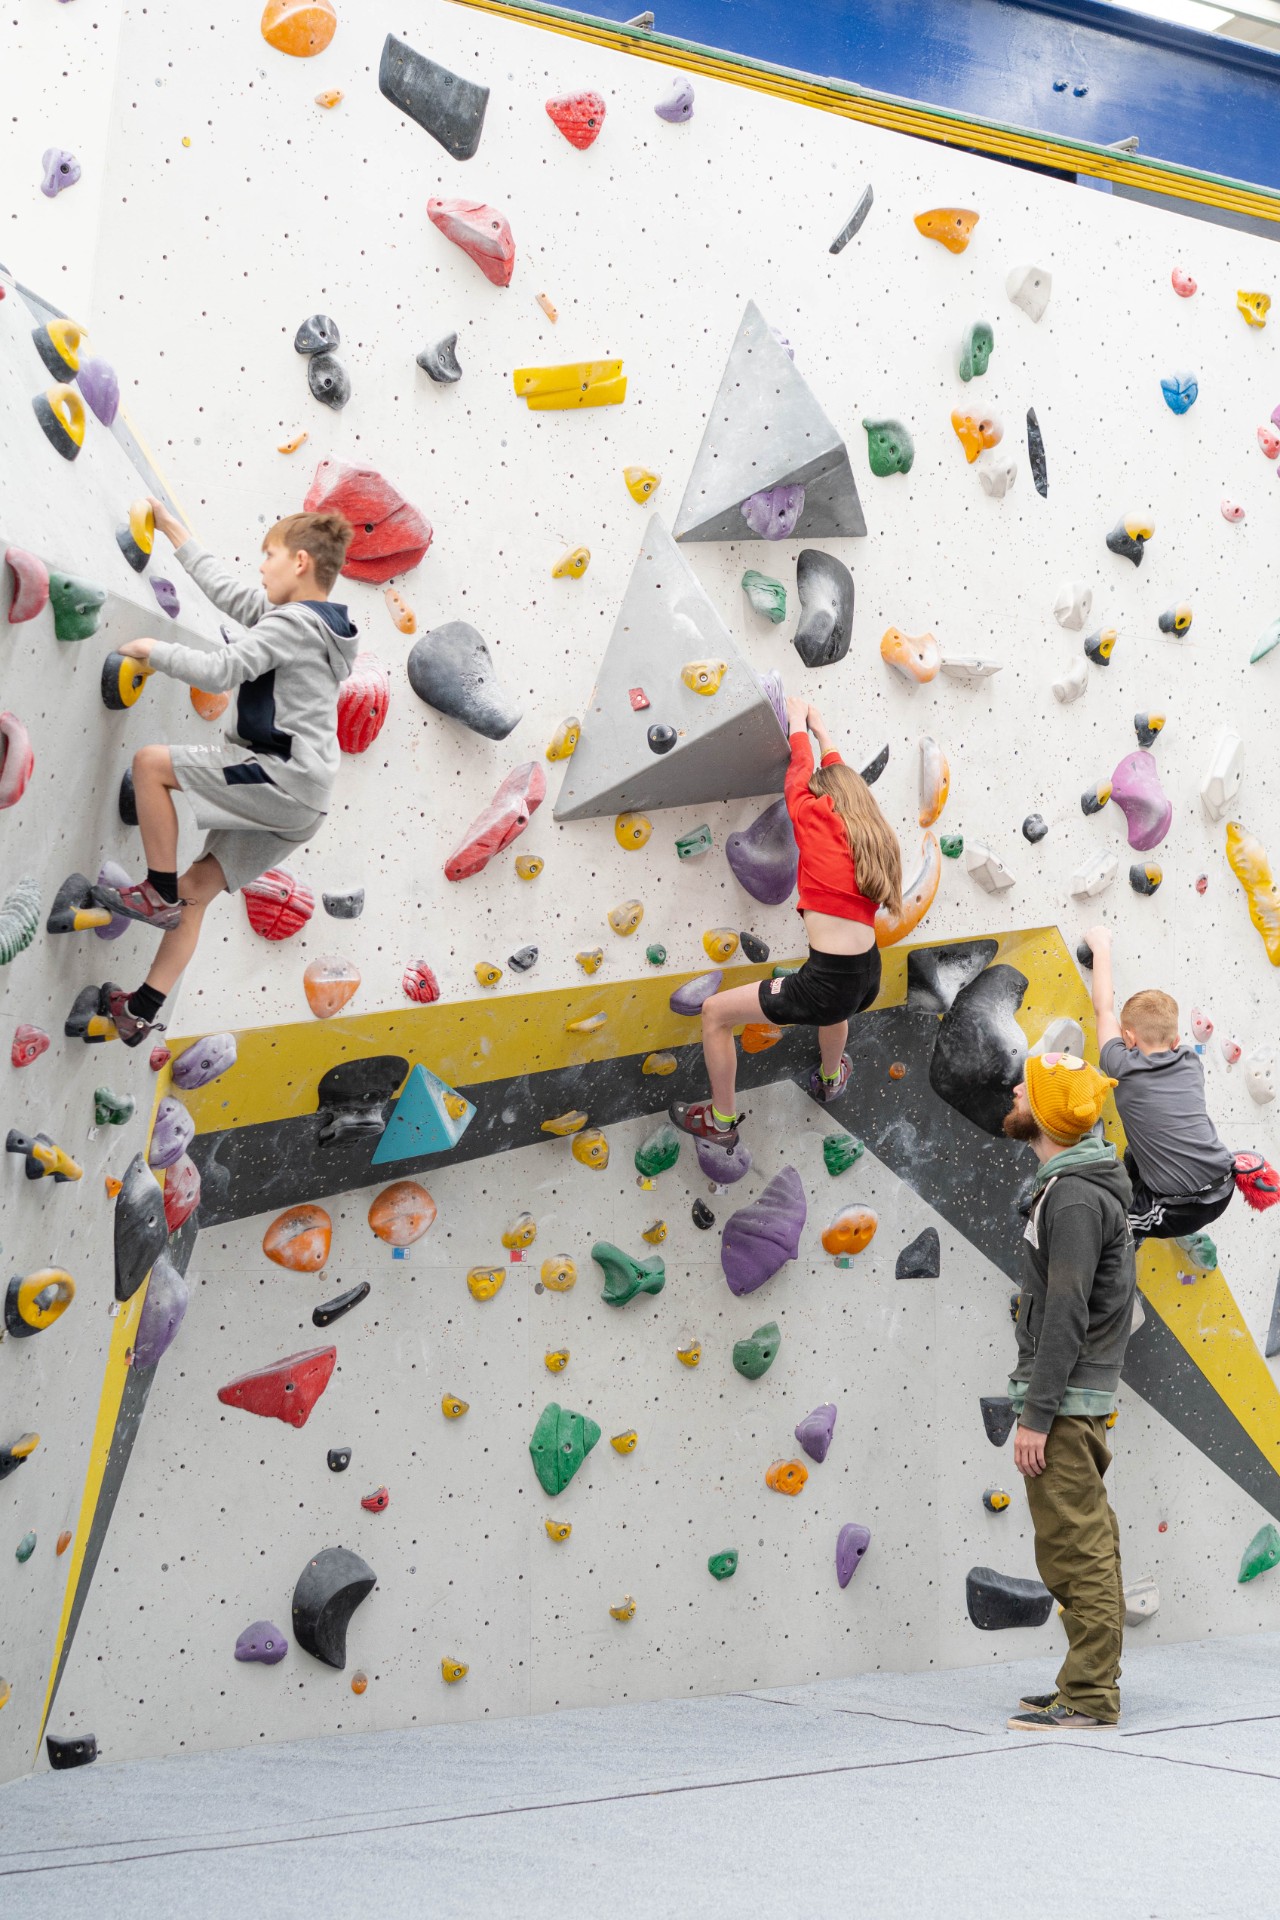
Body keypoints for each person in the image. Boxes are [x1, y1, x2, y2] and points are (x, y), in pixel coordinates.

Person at [83, 497, 358, 1046]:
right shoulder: (320, 625)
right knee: (198, 892)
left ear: (300, 562)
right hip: (305, 800)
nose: (262, 566)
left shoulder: (295, 624)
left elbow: (223, 669)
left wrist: (153, 650)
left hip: (280, 778)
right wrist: (175, 532)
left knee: (151, 764)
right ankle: (139, 1011)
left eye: (270, 554)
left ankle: (156, 893)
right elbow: (230, 594)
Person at [669, 698, 902, 1147]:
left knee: (716, 1014)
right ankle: (831, 1079)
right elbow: (840, 775)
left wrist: (798, 724)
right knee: (838, 1010)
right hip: (867, 973)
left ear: (823, 797)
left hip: (827, 983)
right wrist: (821, 728)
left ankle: (720, 1123)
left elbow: (799, 773)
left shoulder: (814, 816)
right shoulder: (870, 834)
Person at [1002, 1049, 1136, 1732]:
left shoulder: (1077, 1197)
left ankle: (1088, 1696)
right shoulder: (1070, 1185)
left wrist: (1037, 1413)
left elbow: (1067, 1313)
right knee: (1081, 1544)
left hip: (1066, 1402)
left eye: (1027, 1086)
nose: (1014, 1088)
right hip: (1073, 1398)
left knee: (1075, 1548)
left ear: (1048, 1114)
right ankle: (1086, 1684)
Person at [1084, 925, 1236, 1265]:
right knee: (1137, 1152)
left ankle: (1128, 1236)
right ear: (1175, 1041)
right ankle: (1140, 1188)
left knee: (1112, 1220)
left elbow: (1102, 1011)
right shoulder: (1190, 1061)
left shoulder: (1121, 1064)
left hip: (1180, 1207)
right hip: (1225, 1183)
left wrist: (1100, 945)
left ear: (1129, 1039)